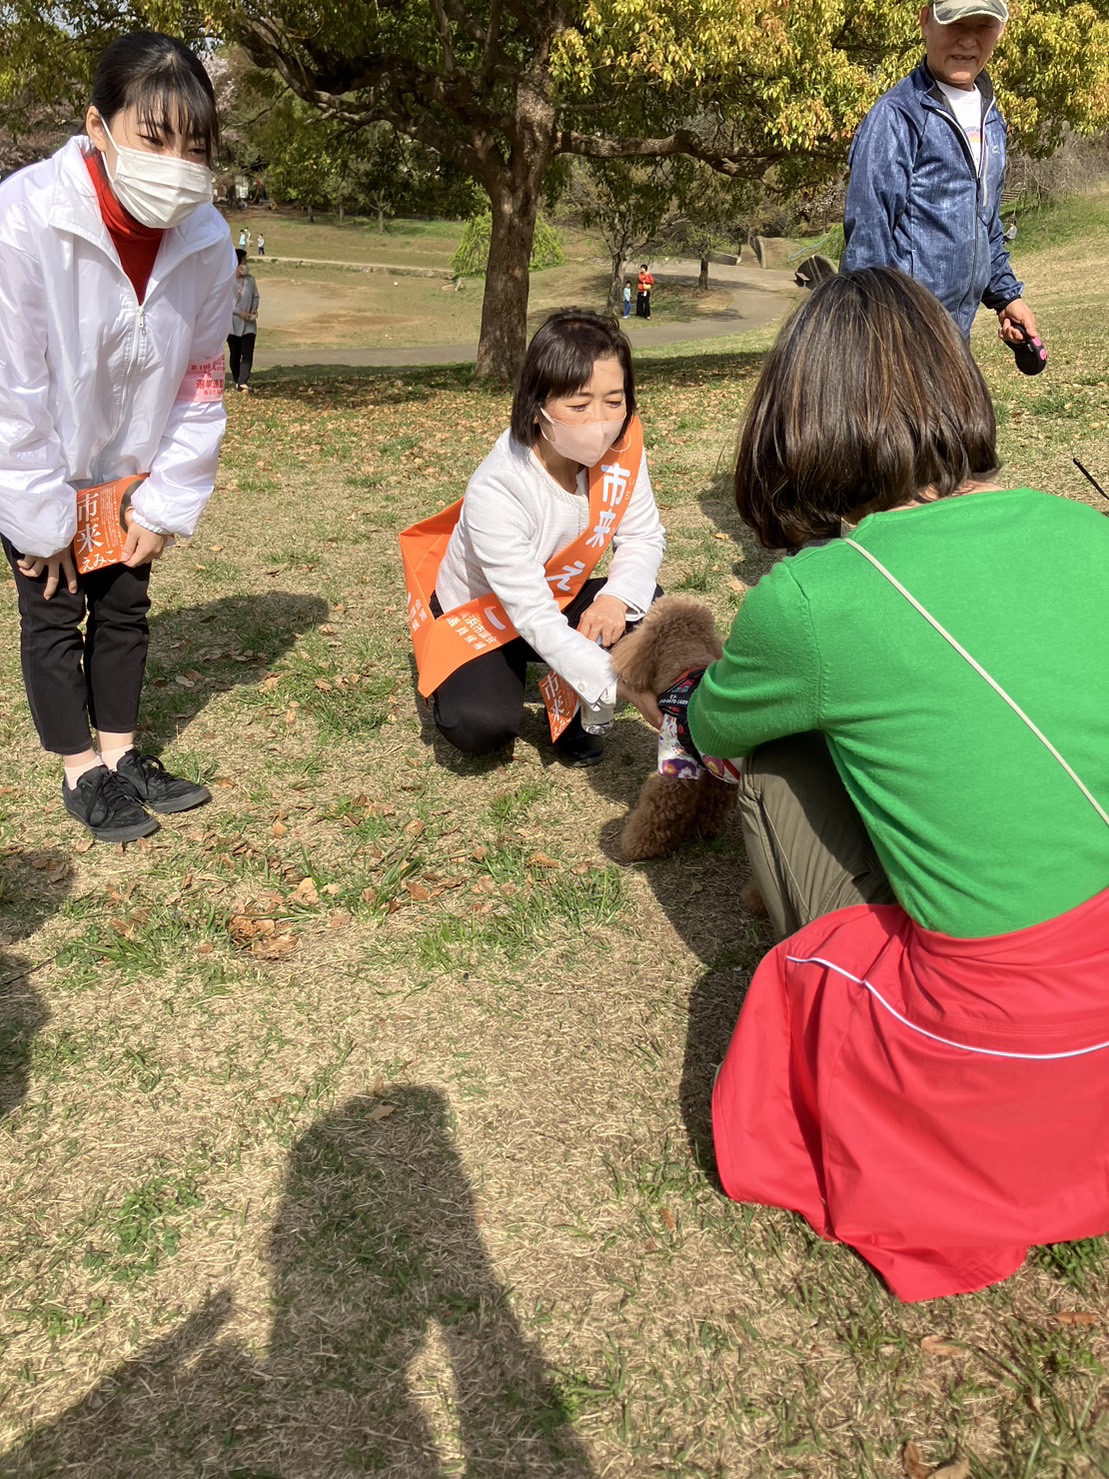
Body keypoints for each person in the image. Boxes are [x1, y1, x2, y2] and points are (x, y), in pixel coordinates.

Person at [687, 267, 1108, 1301]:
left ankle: (850, 970)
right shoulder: (1084, 531)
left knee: (777, 760)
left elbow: (710, 730)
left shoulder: (813, 598)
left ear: (802, 422)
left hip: (1001, 1062)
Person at [0, 32, 235, 843]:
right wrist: (38, 516)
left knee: (127, 604)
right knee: (56, 607)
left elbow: (202, 378)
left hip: (133, 461)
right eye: (154, 136)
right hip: (40, 455)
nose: (176, 162)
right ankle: (80, 769)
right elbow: (11, 387)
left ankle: (124, 751)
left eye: (194, 145)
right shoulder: (24, 218)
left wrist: (165, 500)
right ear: (97, 128)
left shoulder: (206, 238)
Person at [403, 309, 666, 766]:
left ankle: (567, 707)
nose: (600, 423)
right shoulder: (500, 487)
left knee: (649, 614)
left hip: (557, 597)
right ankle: (468, 681)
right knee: (479, 725)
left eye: (614, 400)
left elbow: (642, 536)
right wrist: (620, 684)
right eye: (579, 406)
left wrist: (614, 599)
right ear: (537, 405)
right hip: (486, 612)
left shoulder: (622, 448)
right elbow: (533, 615)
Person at [841, 1, 1039, 347]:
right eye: (955, 24)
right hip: (901, 336)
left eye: (982, 27)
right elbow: (867, 239)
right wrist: (874, 336)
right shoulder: (897, 116)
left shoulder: (991, 119)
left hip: (953, 339)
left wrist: (1007, 297)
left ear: (1001, 31)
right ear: (925, 22)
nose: (968, 41)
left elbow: (986, 222)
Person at [227, 248, 260, 392]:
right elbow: (224, 304)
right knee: (235, 354)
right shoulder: (227, 281)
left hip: (249, 324)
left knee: (247, 352)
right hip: (232, 325)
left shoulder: (250, 279)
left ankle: (243, 382)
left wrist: (253, 309)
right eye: (244, 262)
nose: (246, 265)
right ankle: (236, 379)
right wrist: (238, 312)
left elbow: (255, 296)